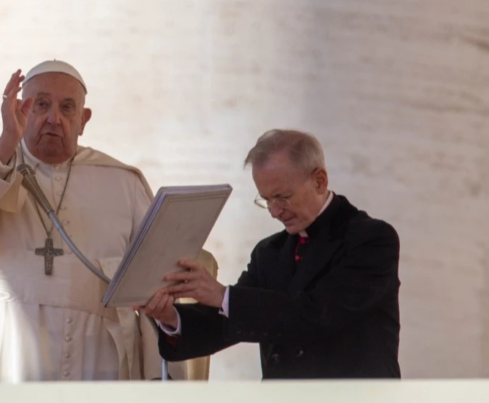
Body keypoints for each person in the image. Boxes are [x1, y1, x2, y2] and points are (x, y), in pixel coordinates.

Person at [0, 60, 173, 382]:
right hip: (3, 347)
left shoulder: (123, 183)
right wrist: (7, 142)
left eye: (67, 108)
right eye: (41, 105)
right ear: (20, 110)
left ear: (84, 119)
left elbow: (156, 273)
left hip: (95, 355)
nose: (54, 118)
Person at [139, 129, 401, 379]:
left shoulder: (371, 240)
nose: (274, 212)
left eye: (282, 197)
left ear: (319, 181)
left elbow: (317, 315)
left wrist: (222, 295)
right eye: (266, 200)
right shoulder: (269, 253)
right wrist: (171, 317)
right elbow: (228, 323)